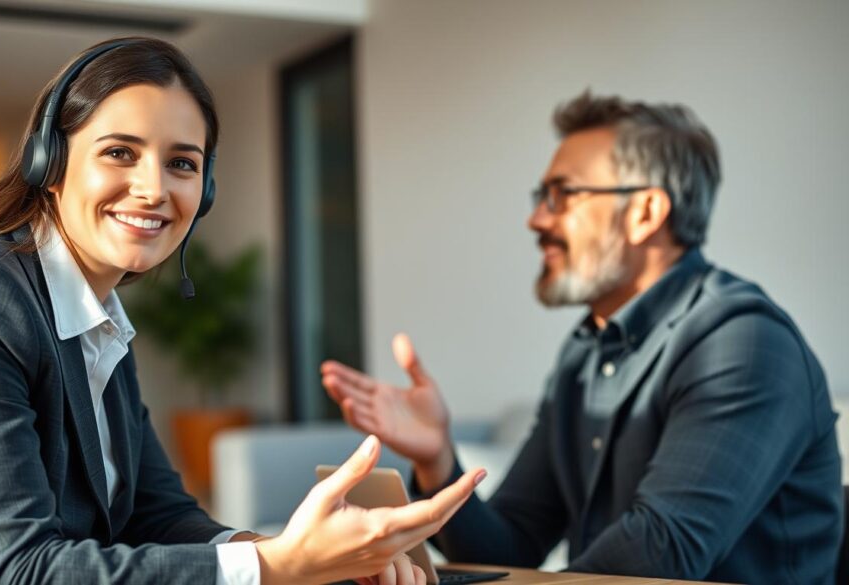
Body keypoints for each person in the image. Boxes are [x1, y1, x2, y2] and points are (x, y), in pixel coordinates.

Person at [0, 37, 486, 585]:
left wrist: (313, 556)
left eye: (182, 163)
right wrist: (274, 565)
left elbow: (158, 513)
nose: (154, 188)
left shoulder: (96, 319)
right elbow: (20, 569)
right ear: (49, 165)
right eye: (120, 152)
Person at [321, 91, 843, 583]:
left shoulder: (745, 344)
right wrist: (437, 459)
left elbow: (658, 556)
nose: (535, 219)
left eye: (562, 195)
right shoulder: (585, 353)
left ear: (645, 213)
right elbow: (512, 544)